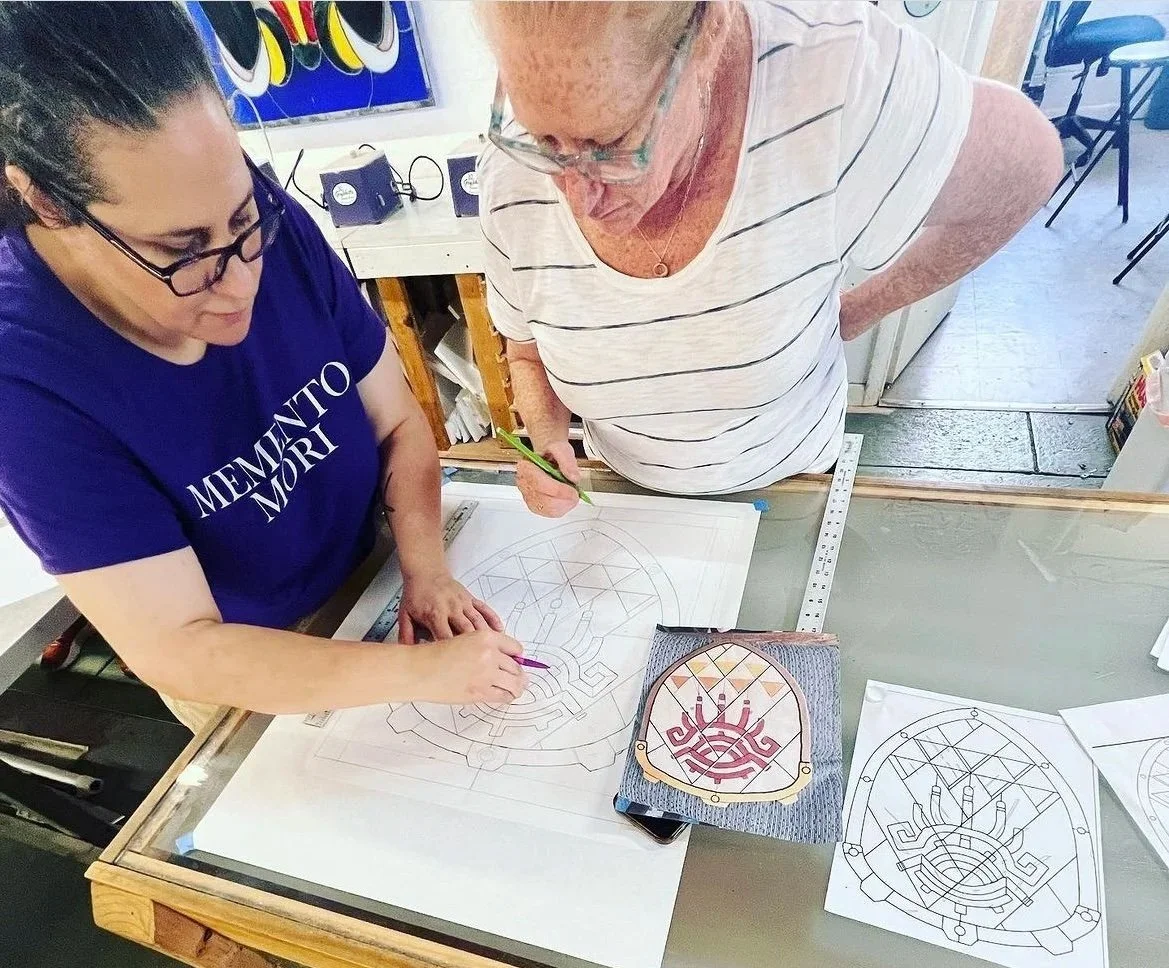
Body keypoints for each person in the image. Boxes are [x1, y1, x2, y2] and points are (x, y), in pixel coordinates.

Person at [0, 2, 528, 731]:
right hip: (252, 667)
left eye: (245, 221)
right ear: (46, 201)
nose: (243, 282)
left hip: (373, 577)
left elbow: (401, 424)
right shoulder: (25, 382)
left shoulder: (254, 219)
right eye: (182, 252)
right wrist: (421, 672)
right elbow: (176, 645)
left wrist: (426, 571)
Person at [477, 1, 1064, 516]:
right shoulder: (510, 178)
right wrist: (546, 437)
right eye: (543, 140)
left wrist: (859, 310)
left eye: (610, 145)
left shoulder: (836, 80)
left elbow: (1028, 170)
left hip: (789, 486)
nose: (578, 198)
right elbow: (525, 351)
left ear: (705, 40)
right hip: (626, 491)